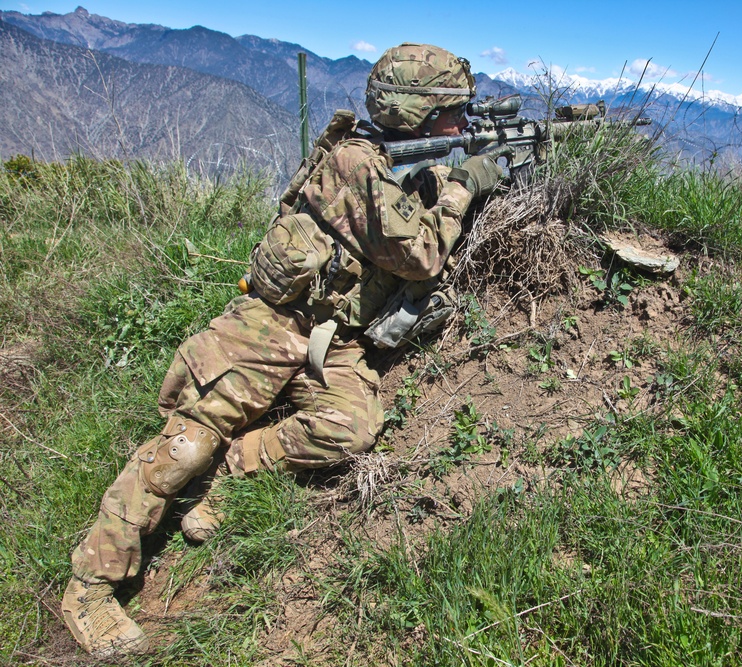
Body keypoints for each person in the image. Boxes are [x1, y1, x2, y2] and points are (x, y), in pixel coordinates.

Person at [60, 43, 504, 658]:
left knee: (351, 425)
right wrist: (464, 187)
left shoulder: (386, 164)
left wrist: (448, 177)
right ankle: (91, 584)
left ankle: (236, 466)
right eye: (453, 112)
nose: (461, 124)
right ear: (417, 113)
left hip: (332, 336)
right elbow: (422, 252)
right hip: (270, 324)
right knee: (184, 445)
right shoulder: (355, 164)